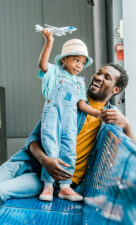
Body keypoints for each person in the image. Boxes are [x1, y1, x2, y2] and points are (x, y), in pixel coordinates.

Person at [0, 62, 135, 206]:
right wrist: (45, 160)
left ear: (116, 89)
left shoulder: (111, 117)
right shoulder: (67, 98)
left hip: (51, 180)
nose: (98, 77)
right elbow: (33, 139)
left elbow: (130, 155)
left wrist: (127, 125)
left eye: (107, 77)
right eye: (99, 73)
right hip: (28, 161)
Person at [38, 29, 102, 202]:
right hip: (53, 115)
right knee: (51, 147)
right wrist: (49, 40)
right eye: (75, 60)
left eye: (82, 62)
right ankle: (48, 185)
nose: (79, 65)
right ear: (63, 60)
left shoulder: (79, 82)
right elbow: (42, 65)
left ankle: (65, 186)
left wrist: (98, 113)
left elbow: (81, 104)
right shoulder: (54, 72)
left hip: (70, 120)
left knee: (69, 150)